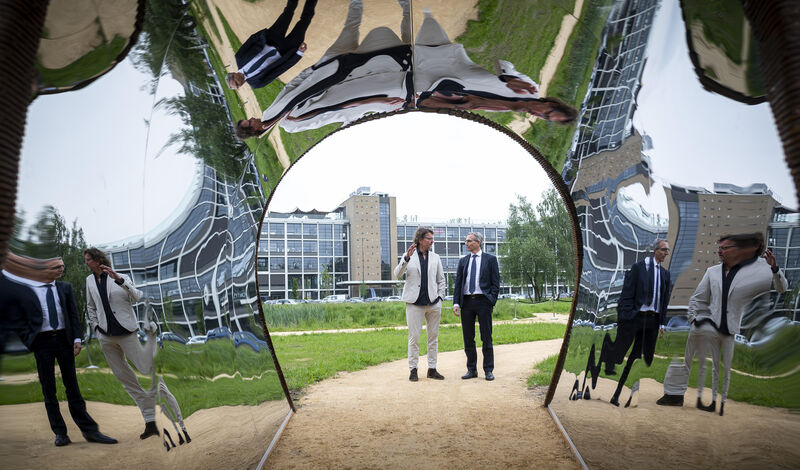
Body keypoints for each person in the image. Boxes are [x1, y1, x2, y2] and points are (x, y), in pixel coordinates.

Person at [235, 0, 412, 139]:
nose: (251, 119)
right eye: (249, 123)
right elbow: (330, 111)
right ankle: (407, 8)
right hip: (347, 77)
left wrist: (312, 68)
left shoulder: (268, 113)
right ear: (254, 131)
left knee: (350, 28)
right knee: (399, 52)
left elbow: (290, 87)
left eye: (247, 120)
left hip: (329, 63)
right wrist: (368, 104)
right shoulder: (290, 125)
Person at [657, 233, 788, 415]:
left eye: (724, 248)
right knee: (686, 360)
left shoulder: (757, 271)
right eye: (719, 248)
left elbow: (782, 288)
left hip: (729, 329)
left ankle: (718, 403)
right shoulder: (712, 272)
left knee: (722, 370)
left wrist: (774, 268)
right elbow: (697, 298)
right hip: (705, 326)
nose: (719, 251)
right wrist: (694, 320)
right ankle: (674, 396)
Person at [0, 253, 117, 447]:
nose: (61, 269)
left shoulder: (65, 288)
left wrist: (77, 338)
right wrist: (30, 340)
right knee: (49, 390)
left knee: (73, 388)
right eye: (57, 267)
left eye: (62, 266)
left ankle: (90, 431)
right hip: (42, 343)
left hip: (64, 341)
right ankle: (60, 433)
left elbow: (73, 314)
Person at [83, 247, 188, 442]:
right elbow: (90, 306)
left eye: (88, 259)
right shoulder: (89, 281)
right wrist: (96, 327)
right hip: (106, 337)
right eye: (86, 260)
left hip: (127, 334)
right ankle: (150, 423)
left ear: (98, 260)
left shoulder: (121, 276)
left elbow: (137, 296)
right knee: (127, 381)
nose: (86, 263)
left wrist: (119, 280)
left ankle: (180, 422)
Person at [413, 12, 577, 123]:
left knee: (406, 48)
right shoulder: (530, 89)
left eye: (546, 118)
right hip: (450, 62)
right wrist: (509, 78)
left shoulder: (511, 108)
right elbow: (502, 63)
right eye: (547, 113)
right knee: (423, 21)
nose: (540, 115)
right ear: (550, 104)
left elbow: (471, 104)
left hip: (440, 85)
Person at [606, 239, 671, 406]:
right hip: (635, 319)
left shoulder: (665, 274)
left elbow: (664, 302)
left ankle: (618, 395)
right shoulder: (638, 268)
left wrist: (662, 324)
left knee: (636, 357)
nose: (666, 253)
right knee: (620, 353)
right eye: (664, 250)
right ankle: (606, 364)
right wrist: (625, 316)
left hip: (651, 322)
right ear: (656, 250)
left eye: (667, 250)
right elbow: (626, 294)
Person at [226, 0, 317, 90]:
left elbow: (251, 40)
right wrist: (298, 54)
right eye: (238, 87)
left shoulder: (239, 57)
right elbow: (279, 71)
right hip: (287, 49)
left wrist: (265, 33)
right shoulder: (257, 84)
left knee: (289, 11)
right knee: (305, 21)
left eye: (236, 84)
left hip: (273, 36)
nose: (240, 85)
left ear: (233, 74)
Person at [393, 227, 446, 382]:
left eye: (432, 238)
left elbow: (441, 279)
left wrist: (440, 297)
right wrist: (406, 259)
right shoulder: (409, 256)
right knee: (414, 338)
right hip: (414, 303)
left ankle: (432, 369)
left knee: (433, 338)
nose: (432, 241)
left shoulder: (436, 257)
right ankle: (413, 369)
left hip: (433, 303)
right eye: (429, 238)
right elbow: (397, 274)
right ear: (421, 239)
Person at [453, 232, 500, 381]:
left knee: (486, 337)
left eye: (469, 241)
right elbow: (458, 284)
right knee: (468, 338)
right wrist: (456, 303)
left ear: (478, 242)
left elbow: (496, 283)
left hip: (483, 302)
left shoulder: (490, 259)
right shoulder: (463, 261)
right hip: (466, 303)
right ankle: (471, 369)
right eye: (465, 241)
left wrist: (491, 300)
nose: (466, 243)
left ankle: (488, 370)